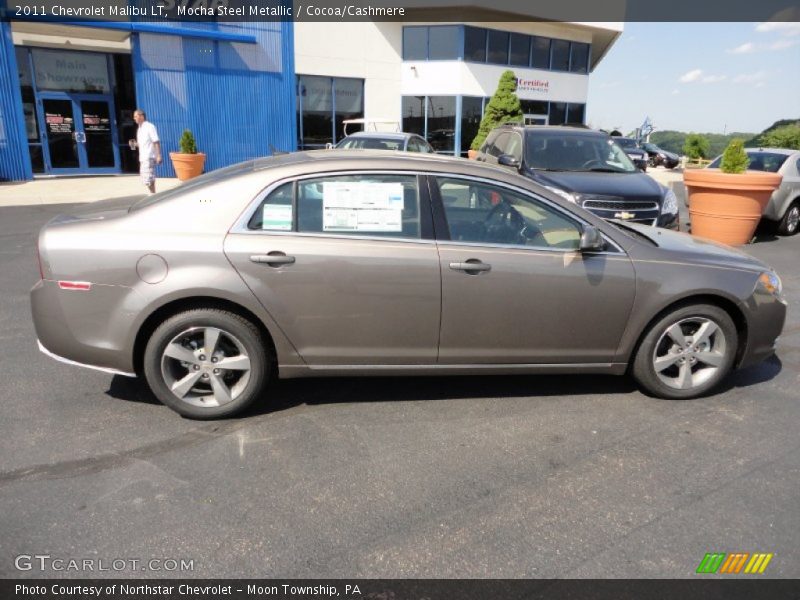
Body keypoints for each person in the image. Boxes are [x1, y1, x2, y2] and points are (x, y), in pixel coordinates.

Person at [131, 109, 162, 194]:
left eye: (135, 116)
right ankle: (152, 194)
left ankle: (153, 195)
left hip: (148, 157)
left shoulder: (149, 126)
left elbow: (156, 141)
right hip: (143, 158)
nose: (134, 118)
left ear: (141, 116)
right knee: (146, 180)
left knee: (149, 179)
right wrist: (134, 145)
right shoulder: (139, 129)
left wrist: (158, 155)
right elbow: (142, 144)